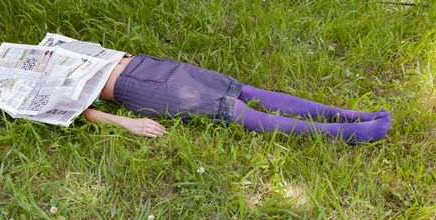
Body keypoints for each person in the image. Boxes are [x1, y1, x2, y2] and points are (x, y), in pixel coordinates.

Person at [79, 54, 391, 142]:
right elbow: (84, 112)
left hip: (148, 65)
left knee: (246, 91)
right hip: (136, 90)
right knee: (235, 110)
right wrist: (128, 123)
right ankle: (349, 133)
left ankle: (350, 115)